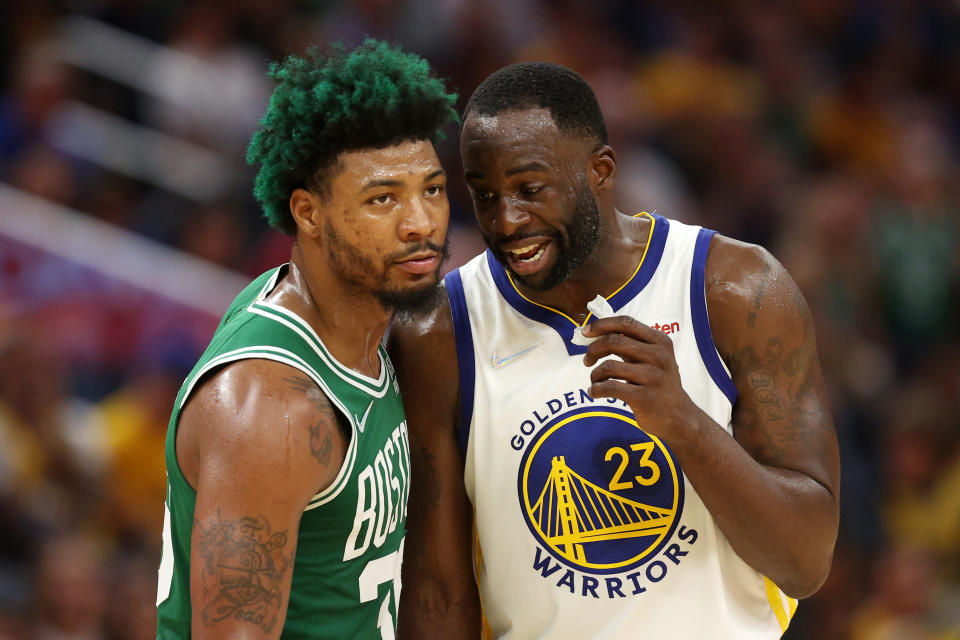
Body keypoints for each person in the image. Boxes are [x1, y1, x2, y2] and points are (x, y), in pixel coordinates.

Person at [390, 62, 841, 639]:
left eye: (531, 190)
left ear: (600, 171)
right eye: (484, 196)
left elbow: (805, 562)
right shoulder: (439, 330)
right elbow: (437, 588)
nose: (507, 220)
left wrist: (684, 425)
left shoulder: (735, 288)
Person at [155, 40, 457, 640]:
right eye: (382, 199)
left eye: (432, 189)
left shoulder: (352, 320)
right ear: (308, 213)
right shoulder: (273, 414)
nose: (421, 222)